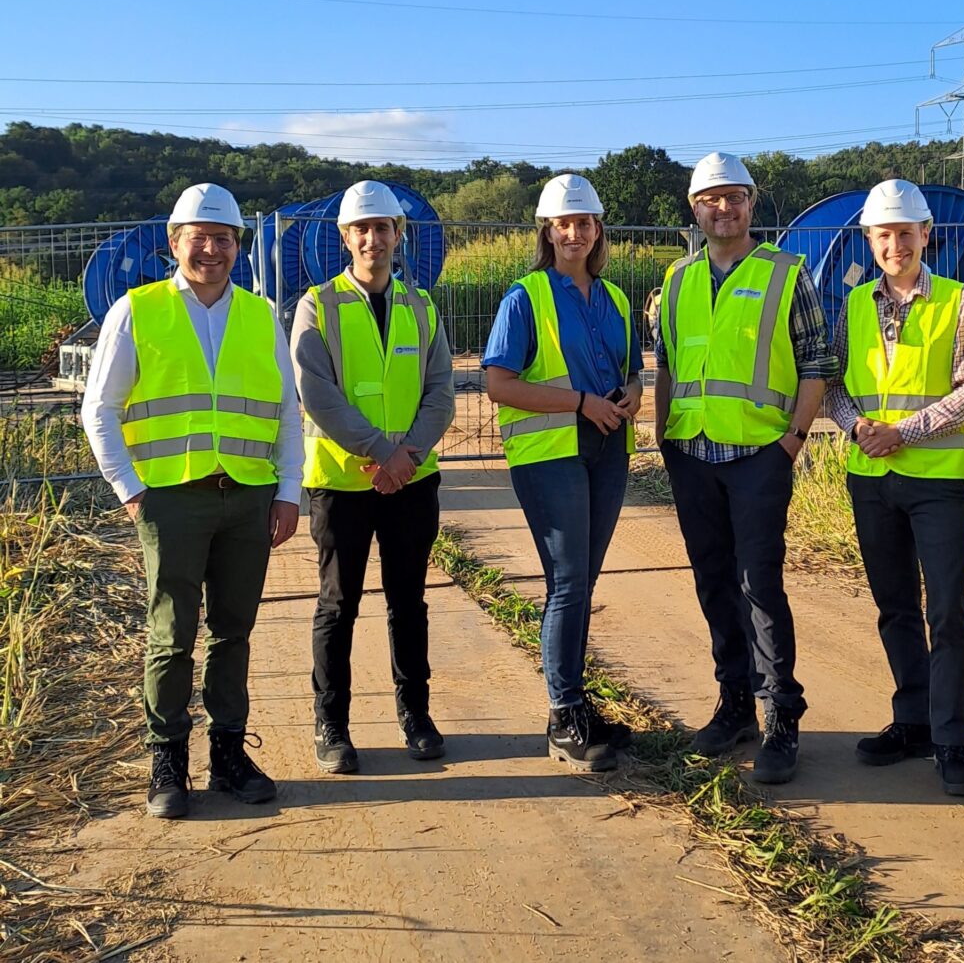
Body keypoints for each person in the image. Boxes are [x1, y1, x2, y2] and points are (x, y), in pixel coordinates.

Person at [82, 182, 302, 819]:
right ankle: (167, 760)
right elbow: (100, 411)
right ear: (174, 243)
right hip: (171, 499)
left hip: (248, 499)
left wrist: (287, 491)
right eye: (198, 238)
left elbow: (287, 414)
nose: (212, 250)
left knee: (234, 631)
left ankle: (228, 756)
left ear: (240, 246)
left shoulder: (262, 316)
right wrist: (132, 492)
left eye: (224, 239)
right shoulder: (137, 309)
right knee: (172, 635)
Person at [654, 152, 837, 785]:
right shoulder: (676, 279)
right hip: (692, 453)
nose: (723, 208)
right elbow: (669, 362)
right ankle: (733, 702)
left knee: (760, 584)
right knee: (712, 582)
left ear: (752, 204)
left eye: (735, 197)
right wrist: (662, 434)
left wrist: (793, 438)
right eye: (712, 198)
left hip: (760, 454)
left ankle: (780, 714)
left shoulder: (788, 273)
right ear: (695, 207)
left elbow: (818, 359)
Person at [826, 179, 964, 796]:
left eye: (905, 232)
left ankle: (951, 740)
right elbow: (838, 386)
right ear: (870, 241)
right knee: (894, 606)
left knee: (945, 610)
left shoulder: (959, 301)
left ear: (927, 235)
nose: (895, 244)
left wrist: (907, 431)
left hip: (938, 481)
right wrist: (858, 425)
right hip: (872, 480)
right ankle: (912, 720)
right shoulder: (853, 306)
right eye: (883, 234)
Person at [290, 180, 455, 773]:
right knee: (339, 605)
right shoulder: (317, 305)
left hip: (411, 480)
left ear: (397, 235)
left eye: (382, 228)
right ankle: (331, 725)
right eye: (361, 229)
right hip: (341, 481)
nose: (372, 238)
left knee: (408, 602)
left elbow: (441, 391)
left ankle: (416, 715)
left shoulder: (421, 306)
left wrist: (406, 454)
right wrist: (382, 451)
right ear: (344, 238)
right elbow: (317, 393)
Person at [484, 174, 642, 773]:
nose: (573, 233)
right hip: (551, 453)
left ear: (597, 230)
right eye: (562, 224)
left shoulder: (617, 298)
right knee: (569, 580)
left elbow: (631, 372)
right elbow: (498, 383)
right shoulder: (525, 298)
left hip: (607, 447)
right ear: (546, 232)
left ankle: (576, 702)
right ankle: (563, 713)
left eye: (583, 223)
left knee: (582, 581)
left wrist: (628, 393)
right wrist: (581, 403)